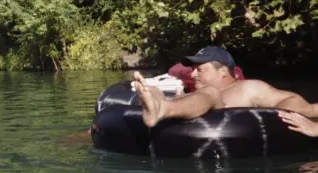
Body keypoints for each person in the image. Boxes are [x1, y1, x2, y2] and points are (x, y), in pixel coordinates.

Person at [134, 46, 316, 128]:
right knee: (206, 93)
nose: (192, 74)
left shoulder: (248, 88)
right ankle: (160, 104)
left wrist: (279, 118)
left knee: (211, 93)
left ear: (222, 72)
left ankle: (163, 108)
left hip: (243, 152)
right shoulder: (196, 91)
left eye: (200, 70)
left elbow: (291, 100)